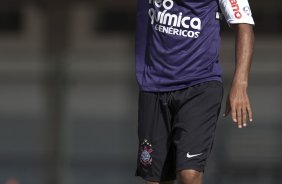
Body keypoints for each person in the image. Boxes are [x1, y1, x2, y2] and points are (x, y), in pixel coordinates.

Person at [135, 0, 255, 183]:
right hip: (154, 86)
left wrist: (240, 83)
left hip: (200, 86)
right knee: (155, 180)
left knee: (189, 175)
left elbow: (244, 26)